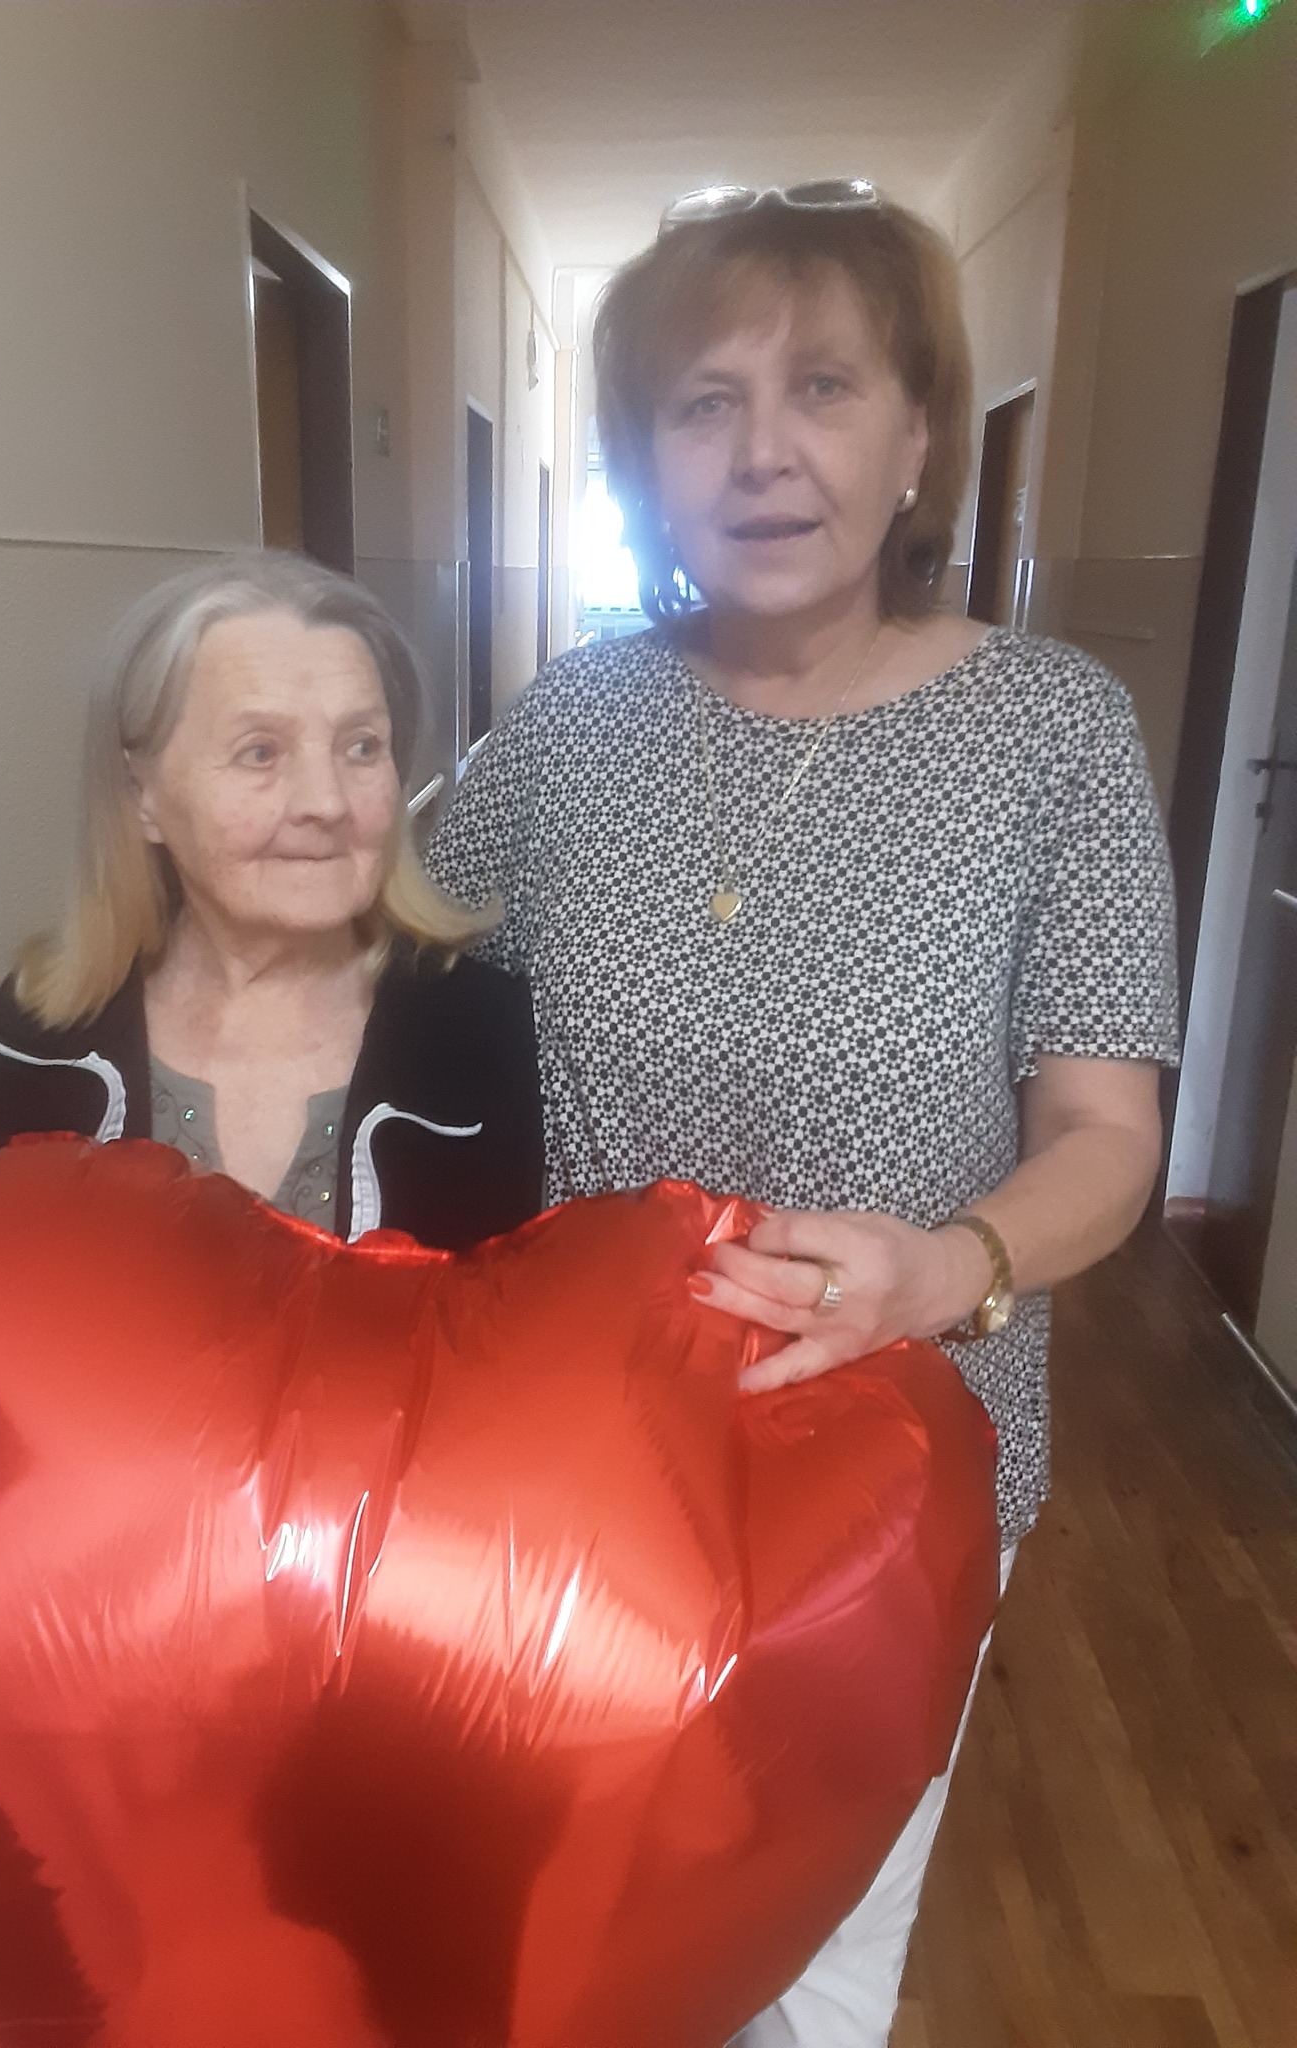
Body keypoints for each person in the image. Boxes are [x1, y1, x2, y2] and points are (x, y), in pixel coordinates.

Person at [424, 181, 1178, 2046]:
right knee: (577, 1917)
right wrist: (71, 1014)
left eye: (824, 387)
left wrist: (950, 1264)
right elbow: (373, 974)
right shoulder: (568, 725)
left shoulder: (1055, 735)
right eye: (704, 403)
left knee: (816, 1949)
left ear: (919, 437)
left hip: (895, 1464)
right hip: (578, 1461)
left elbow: (1108, 1134)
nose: (763, 452)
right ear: (642, 466)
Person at [0, 551, 543, 1251]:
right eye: (260, 752)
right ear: (141, 795)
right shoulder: (37, 1039)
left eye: (362, 747)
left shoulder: (486, 1036)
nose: (327, 802)